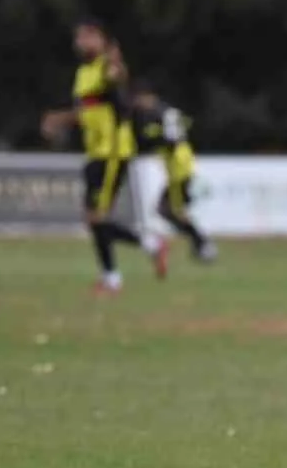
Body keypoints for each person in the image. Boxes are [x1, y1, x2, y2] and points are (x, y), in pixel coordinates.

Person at [40, 21, 166, 294]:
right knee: (93, 218)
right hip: (95, 150)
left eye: (89, 36)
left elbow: (117, 79)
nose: (82, 42)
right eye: (79, 37)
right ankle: (129, 261)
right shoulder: (83, 73)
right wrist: (59, 119)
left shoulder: (105, 68)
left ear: (102, 40)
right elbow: (86, 111)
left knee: (97, 217)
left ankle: (124, 267)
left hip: (112, 151)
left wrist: (116, 63)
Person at [129, 80, 215, 264]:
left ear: (148, 97)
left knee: (169, 210)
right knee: (169, 210)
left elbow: (172, 140)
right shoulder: (163, 113)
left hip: (179, 168)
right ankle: (200, 244)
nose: (138, 104)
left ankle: (203, 244)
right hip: (179, 166)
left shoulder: (160, 114)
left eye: (139, 99)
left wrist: (150, 142)